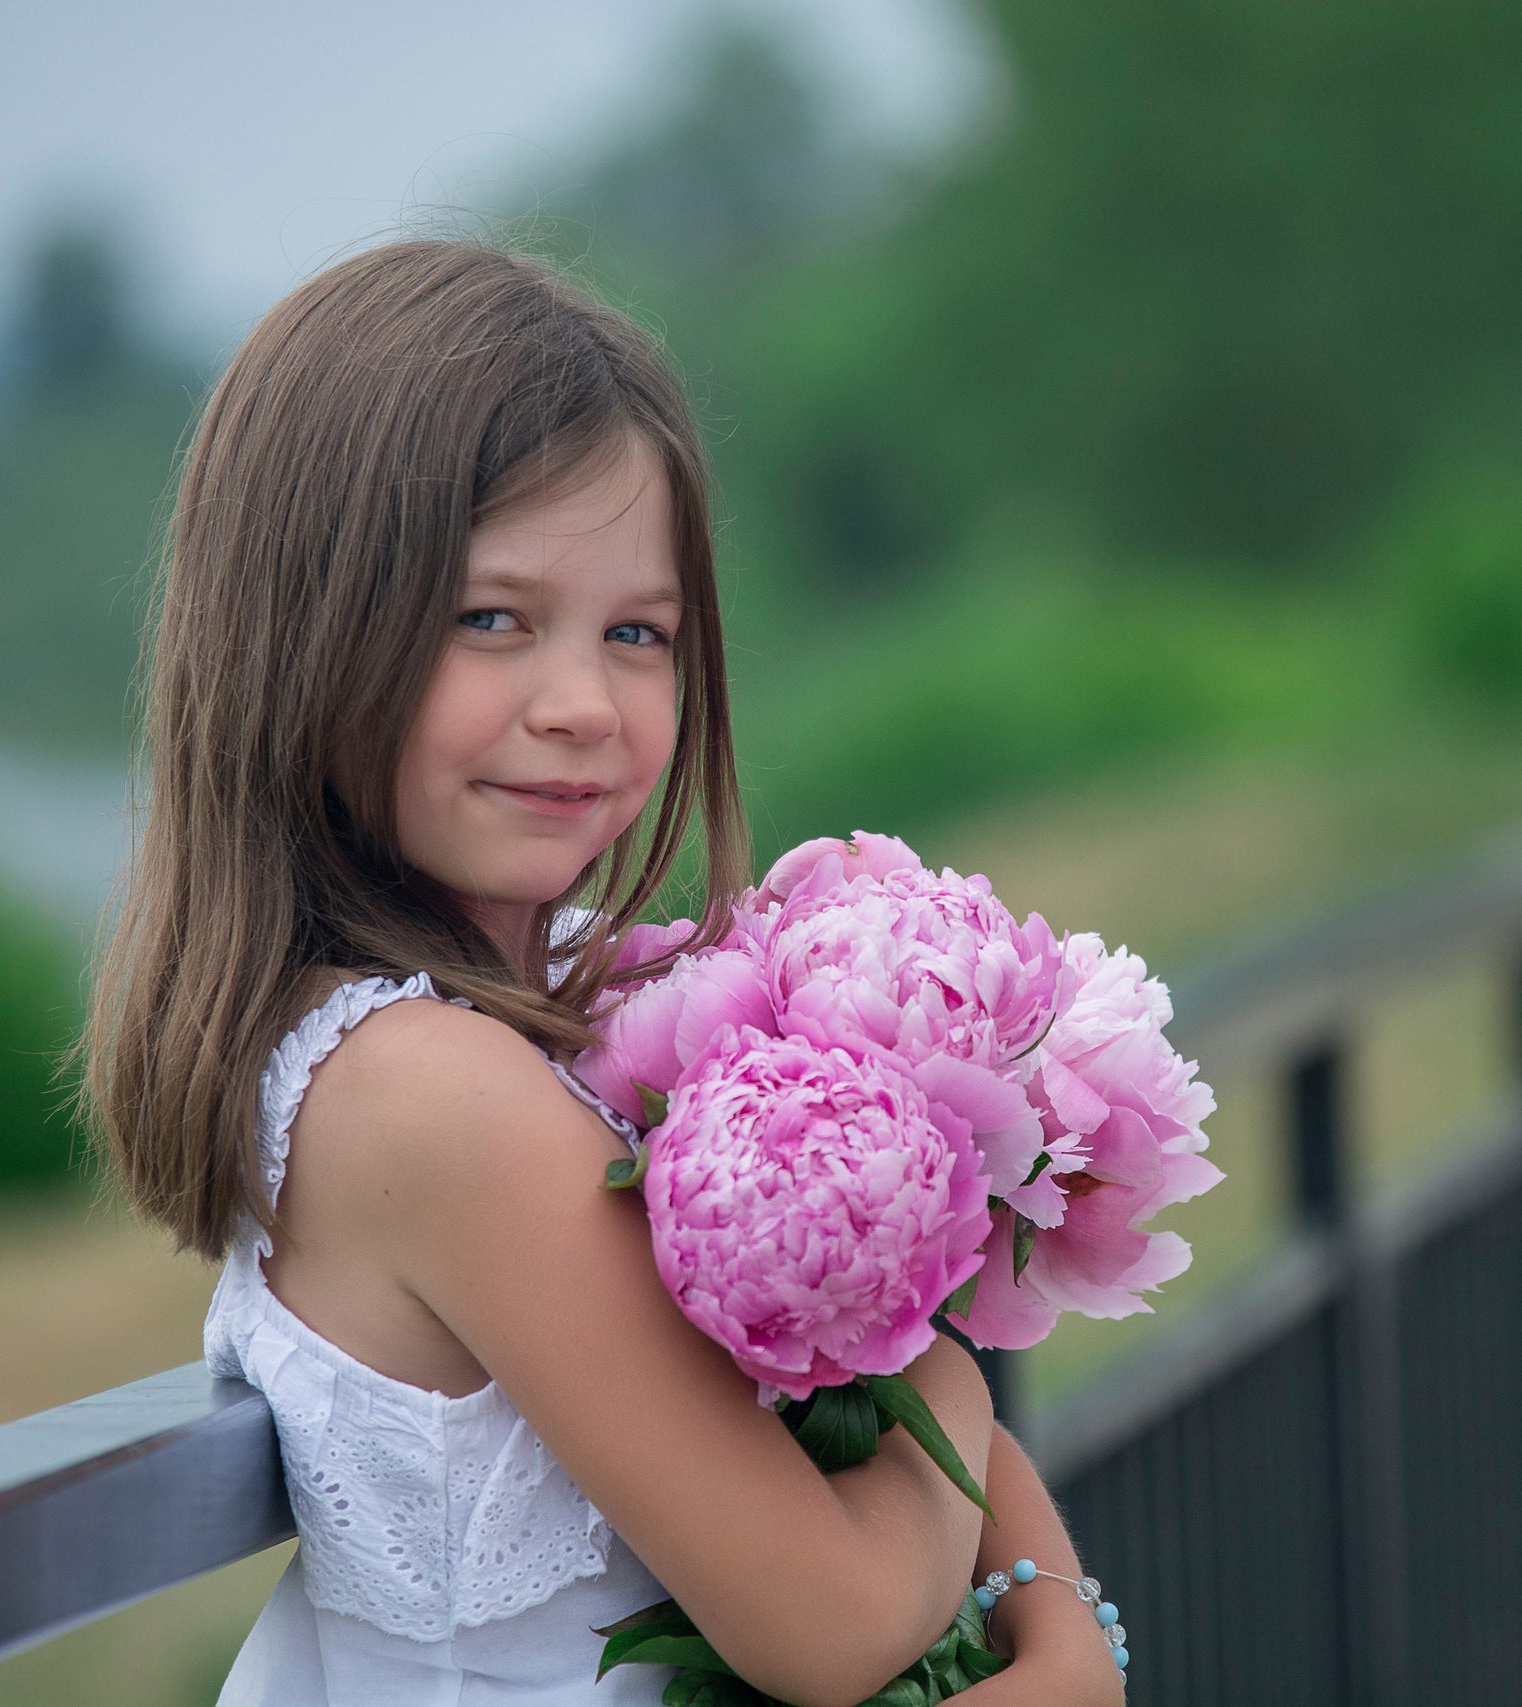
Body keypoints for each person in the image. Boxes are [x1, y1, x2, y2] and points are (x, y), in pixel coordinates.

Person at [82, 239, 1123, 1706]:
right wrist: (938, 1357)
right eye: (491, 619)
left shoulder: (575, 1002)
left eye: (638, 633)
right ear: (303, 631)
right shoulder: (426, 1091)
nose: (582, 704)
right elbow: (828, 1624)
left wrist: (1053, 1610)